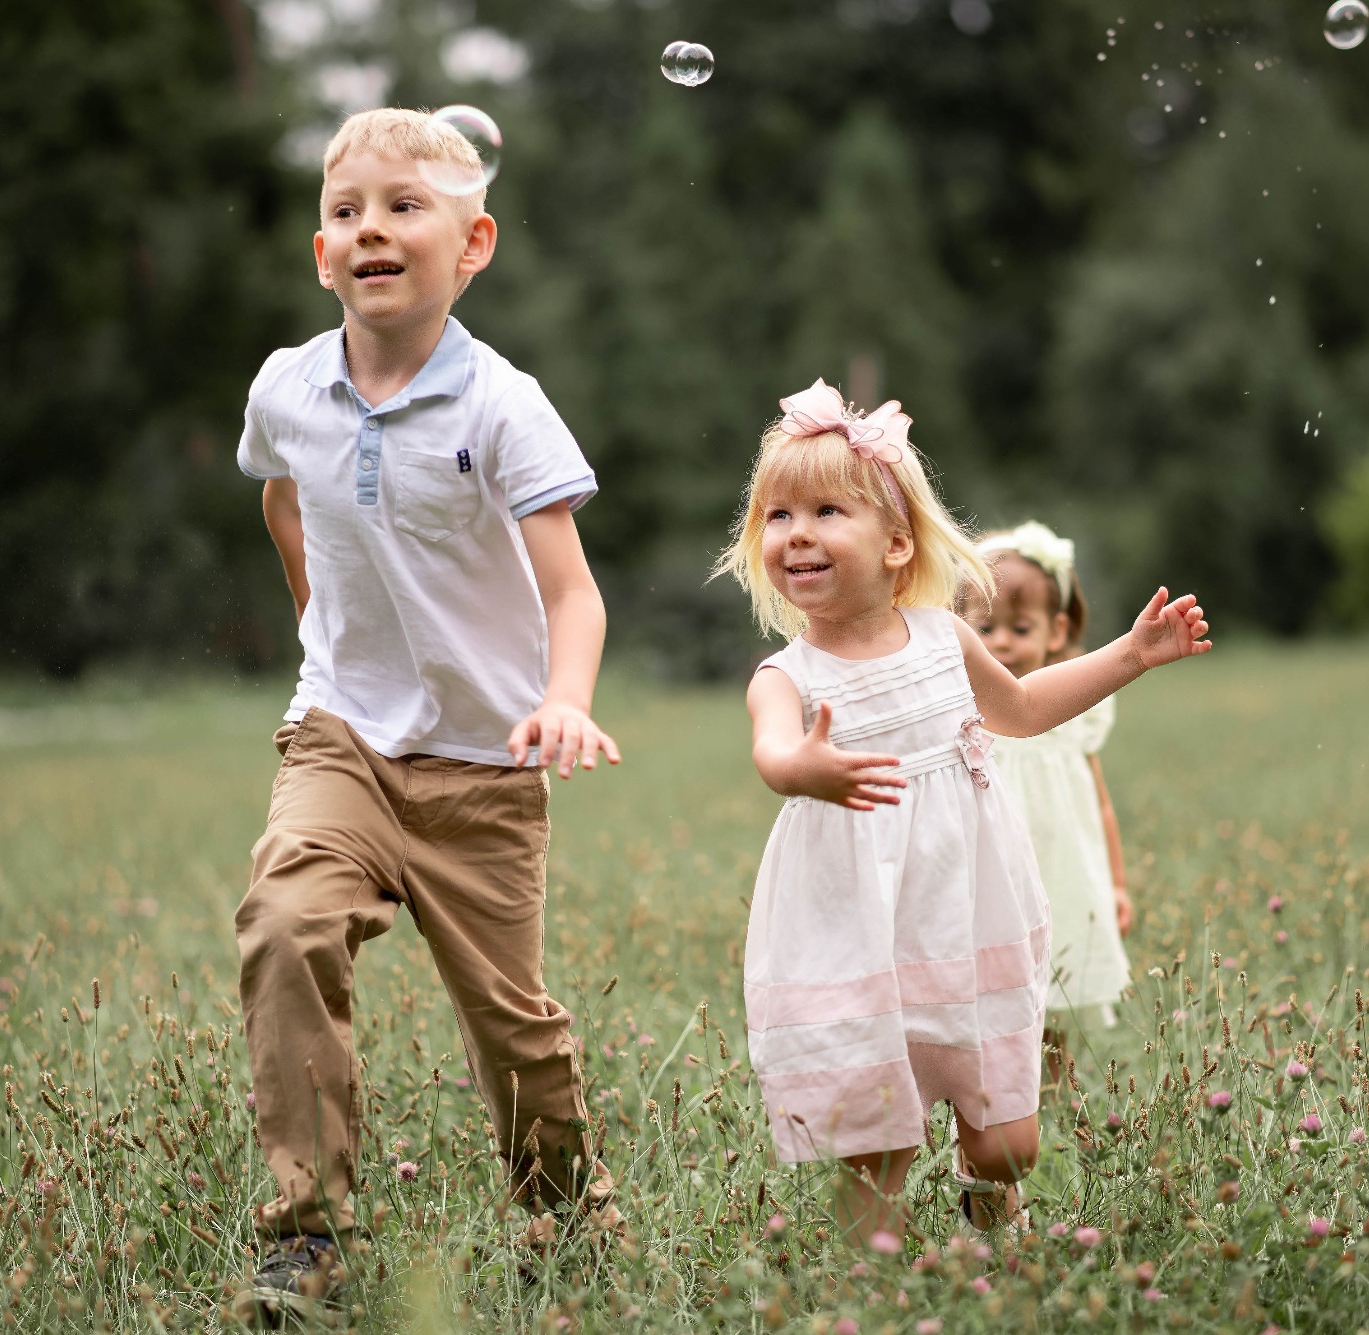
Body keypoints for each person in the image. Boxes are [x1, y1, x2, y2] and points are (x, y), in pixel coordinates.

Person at [231, 108, 620, 1321]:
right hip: (340, 737)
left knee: (512, 1027)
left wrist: (563, 701)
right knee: (285, 924)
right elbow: (282, 499)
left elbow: (573, 591)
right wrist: (324, 633)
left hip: (483, 761)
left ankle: (567, 1214)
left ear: (472, 245)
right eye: (346, 212)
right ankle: (306, 1236)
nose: (371, 229)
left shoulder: (501, 404)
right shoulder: (287, 386)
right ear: (321, 255)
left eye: (405, 207)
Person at [715, 380, 1209, 1241]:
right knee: (878, 1147)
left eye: (827, 510)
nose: (796, 532)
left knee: (1009, 1143)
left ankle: (987, 1198)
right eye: (778, 515)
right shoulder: (787, 675)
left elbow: (1023, 707)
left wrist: (1130, 654)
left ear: (898, 542)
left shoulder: (945, 639)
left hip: (965, 910)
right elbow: (772, 752)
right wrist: (804, 768)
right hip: (857, 925)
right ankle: (871, 1276)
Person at [965, 523, 1133, 1053]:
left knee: (1055, 1015)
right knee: (986, 1012)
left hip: (1063, 880)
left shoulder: (1075, 711)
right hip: (988, 887)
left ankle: (1054, 1103)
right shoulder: (960, 712)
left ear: (1056, 632)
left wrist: (1116, 884)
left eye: (1020, 628)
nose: (1001, 642)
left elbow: (1101, 805)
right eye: (986, 628)